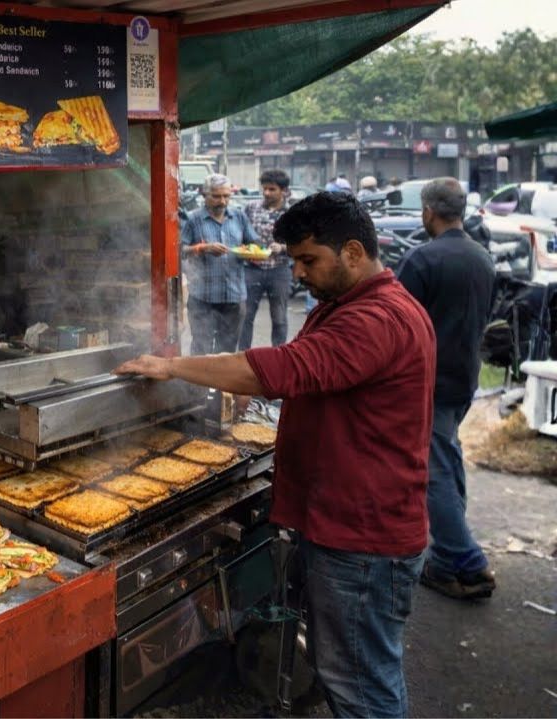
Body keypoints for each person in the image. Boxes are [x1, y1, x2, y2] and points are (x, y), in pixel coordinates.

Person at [117, 192, 435, 718]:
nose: (299, 273)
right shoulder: (354, 306)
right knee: (357, 673)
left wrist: (172, 367)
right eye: (294, 261)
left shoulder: (375, 319)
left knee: (361, 685)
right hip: (355, 524)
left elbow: (280, 370)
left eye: (309, 260)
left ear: (353, 252)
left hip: (362, 539)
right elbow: (295, 374)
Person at [396, 178, 497, 600]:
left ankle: (468, 563)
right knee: (448, 456)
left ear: (427, 212)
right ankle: (446, 556)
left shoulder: (423, 259)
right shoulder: (482, 257)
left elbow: (396, 323)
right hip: (464, 377)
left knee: (432, 472)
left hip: (430, 382)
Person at [180, 174, 257, 355]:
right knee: (201, 348)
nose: (222, 201)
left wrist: (250, 250)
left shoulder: (239, 217)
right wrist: (202, 247)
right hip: (202, 297)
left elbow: (253, 242)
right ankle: (198, 384)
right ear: (204, 195)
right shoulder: (193, 219)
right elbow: (180, 250)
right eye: (216, 196)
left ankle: (222, 384)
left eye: (226, 196)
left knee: (227, 351)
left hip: (234, 297)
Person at [239, 169, 293, 349]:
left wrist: (284, 247)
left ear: (284, 191)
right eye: (265, 189)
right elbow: (240, 234)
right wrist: (246, 248)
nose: (267, 193)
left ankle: (278, 355)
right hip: (252, 269)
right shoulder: (251, 208)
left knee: (279, 318)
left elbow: (304, 242)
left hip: (279, 270)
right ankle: (243, 357)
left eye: (272, 189)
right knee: (246, 316)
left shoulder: (293, 212)